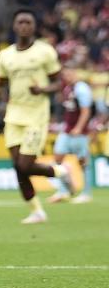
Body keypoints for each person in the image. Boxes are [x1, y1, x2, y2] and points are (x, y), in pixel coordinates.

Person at [0, 9, 74, 224]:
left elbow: (59, 82)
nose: (24, 26)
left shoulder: (45, 52)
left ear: (34, 27)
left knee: (26, 165)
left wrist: (43, 90)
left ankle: (61, 172)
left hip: (36, 115)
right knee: (17, 167)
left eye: (29, 22)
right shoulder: (5, 56)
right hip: (13, 115)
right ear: (14, 26)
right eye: (21, 22)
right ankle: (37, 211)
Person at [48, 69, 94, 204]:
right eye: (65, 75)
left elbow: (86, 111)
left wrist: (79, 127)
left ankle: (86, 193)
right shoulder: (68, 88)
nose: (67, 77)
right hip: (67, 130)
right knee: (57, 158)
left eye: (69, 74)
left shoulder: (82, 88)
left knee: (83, 162)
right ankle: (63, 191)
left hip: (80, 132)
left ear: (76, 73)